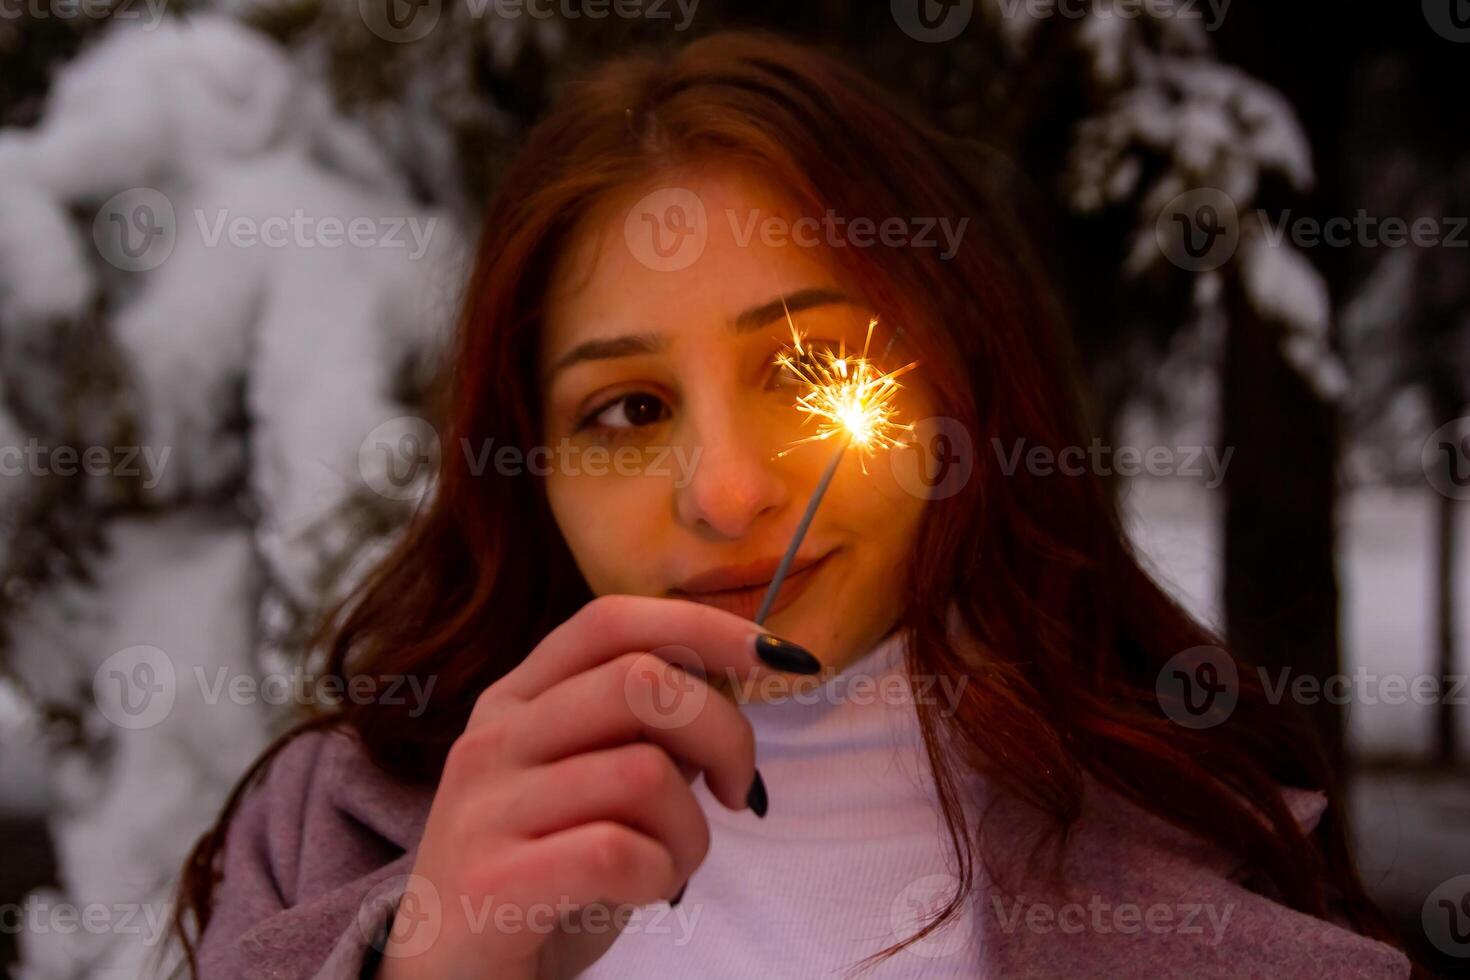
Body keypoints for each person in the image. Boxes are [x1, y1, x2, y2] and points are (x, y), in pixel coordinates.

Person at [168, 29, 1415, 979]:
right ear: (527, 465)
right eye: (629, 411)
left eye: (809, 370)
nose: (724, 492)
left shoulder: (1202, 828)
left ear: (960, 385)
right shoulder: (329, 832)